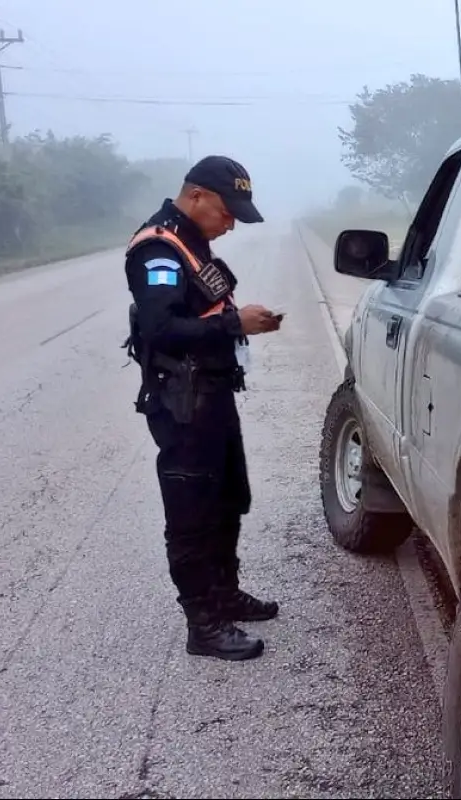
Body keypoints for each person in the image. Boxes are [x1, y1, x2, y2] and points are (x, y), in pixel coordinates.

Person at [123, 155, 282, 661]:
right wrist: (234, 327)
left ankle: (224, 593)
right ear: (195, 198)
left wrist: (240, 321)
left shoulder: (195, 244)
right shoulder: (158, 250)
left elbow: (205, 308)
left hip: (211, 392)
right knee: (191, 510)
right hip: (181, 401)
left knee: (227, 497)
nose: (231, 223)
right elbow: (161, 328)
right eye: (226, 211)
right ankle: (203, 623)